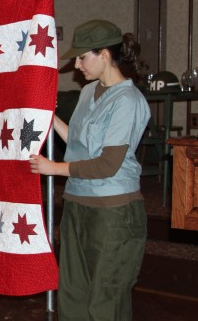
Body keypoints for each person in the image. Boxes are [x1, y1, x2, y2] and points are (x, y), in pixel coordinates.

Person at [28, 20, 150, 320]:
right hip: (78, 206)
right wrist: (51, 118)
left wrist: (54, 168)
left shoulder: (128, 101)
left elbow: (107, 164)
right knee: (73, 294)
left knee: (106, 299)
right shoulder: (89, 92)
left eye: (83, 57)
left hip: (112, 213)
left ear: (105, 55)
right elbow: (79, 141)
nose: (77, 65)